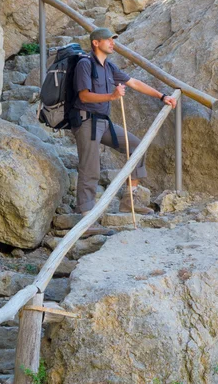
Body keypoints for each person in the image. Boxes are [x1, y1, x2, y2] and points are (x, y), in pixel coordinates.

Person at [72, 27, 177, 234]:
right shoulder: (84, 65)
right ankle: (86, 220)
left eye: (113, 40)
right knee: (90, 167)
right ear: (96, 42)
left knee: (136, 146)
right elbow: (84, 96)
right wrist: (111, 97)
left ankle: (129, 199)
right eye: (109, 40)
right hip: (85, 121)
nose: (113, 43)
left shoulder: (109, 67)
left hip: (103, 122)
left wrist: (162, 96)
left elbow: (134, 83)